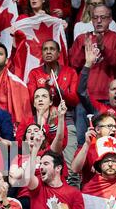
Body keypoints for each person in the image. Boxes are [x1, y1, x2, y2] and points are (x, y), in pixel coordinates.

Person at [28, 40, 79, 185]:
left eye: (52, 49)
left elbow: (74, 100)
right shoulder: (34, 73)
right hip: (40, 121)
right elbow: (32, 98)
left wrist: (57, 90)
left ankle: (72, 193)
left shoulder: (70, 72)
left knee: (71, 166)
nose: (48, 52)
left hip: (65, 120)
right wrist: (45, 86)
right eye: (45, 49)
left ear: (58, 53)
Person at [27, 133, 84, 209]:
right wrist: (35, 149)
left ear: (58, 168)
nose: (41, 167)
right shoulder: (38, 188)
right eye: (40, 164)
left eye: (46, 164)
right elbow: (28, 177)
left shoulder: (74, 193)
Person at [70, 5, 116, 102]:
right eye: (95, 17)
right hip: (84, 96)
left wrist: (103, 49)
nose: (99, 21)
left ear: (110, 19)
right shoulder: (82, 38)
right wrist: (84, 48)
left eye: (103, 17)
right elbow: (74, 65)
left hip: (108, 97)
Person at [76, 40, 116, 146]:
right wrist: (88, 64)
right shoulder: (99, 109)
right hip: (104, 157)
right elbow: (81, 92)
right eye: (113, 89)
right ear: (108, 94)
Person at [0, 43, 32, 126]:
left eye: (0, 54)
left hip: (9, 127)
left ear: (7, 60)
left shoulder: (18, 83)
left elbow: (24, 116)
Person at [72, 113, 116, 187]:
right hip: (91, 194)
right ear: (97, 129)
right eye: (109, 126)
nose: (114, 129)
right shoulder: (87, 149)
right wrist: (87, 144)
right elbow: (75, 169)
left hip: (114, 192)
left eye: (115, 126)